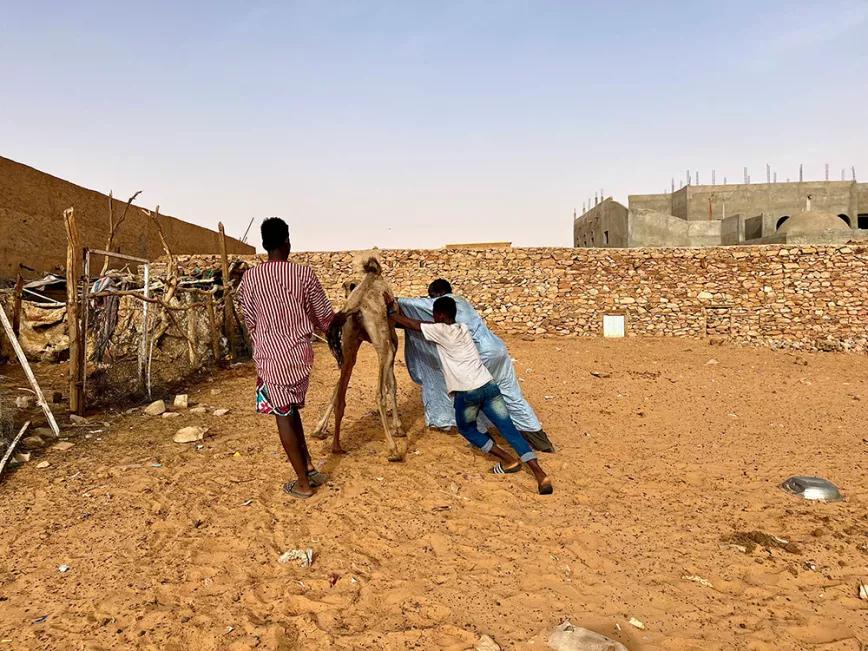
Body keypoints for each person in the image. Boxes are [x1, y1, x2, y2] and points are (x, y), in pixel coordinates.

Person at [386, 293, 553, 495]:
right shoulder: (463, 329)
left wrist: (391, 309)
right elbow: (423, 323)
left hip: (467, 392)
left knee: (467, 428)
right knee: (509, 429)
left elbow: (408, 323)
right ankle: (540, 474)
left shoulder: (439, 331)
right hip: (488, 385)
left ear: (438, 315)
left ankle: (507, 459)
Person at [239, 217, 336, 499]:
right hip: (300, 355)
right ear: (287, 241)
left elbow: (250, 320)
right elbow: (326, 318)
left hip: (270, 355)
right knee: (291, 410)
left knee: (283, 414)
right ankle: (308, 467)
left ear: (264, 244)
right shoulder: (304, 275)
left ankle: (303, 485)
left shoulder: (250, 278)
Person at [398, 279, 554, 452]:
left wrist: (393, 301)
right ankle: (539, 439)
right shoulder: (463, 302)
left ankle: (487, 442)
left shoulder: (443, 304)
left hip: (482, 356)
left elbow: (413, 309)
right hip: (498, 350)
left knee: (473, 399)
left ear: (436, 295)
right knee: (512, 395)